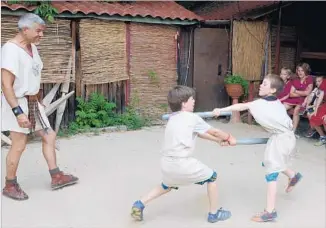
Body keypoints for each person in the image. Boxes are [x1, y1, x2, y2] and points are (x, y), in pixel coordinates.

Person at [1, 13, 78, 201]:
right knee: (19, 145)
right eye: (38, 31)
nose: (41, 35)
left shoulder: (32, 48)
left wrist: (37, 97)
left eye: (43, 31)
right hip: (17, 103)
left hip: (33, 102)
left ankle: (56, 176)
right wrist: (18, 112)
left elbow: (33, 74)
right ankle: (10, 185)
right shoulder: (10, 50)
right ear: (25, 29)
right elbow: (6, 84)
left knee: (49, 135)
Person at [130, 85, 235, 223]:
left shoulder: (173, 119)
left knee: (166, 185)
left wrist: (218, 141)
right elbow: (214, 131)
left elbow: (199, 133)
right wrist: (228, 137)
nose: (194, 101)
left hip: (167, 164)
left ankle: (140, 203)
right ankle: (214, 214)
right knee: (212, 177)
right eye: (192, 99)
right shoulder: (192, 118)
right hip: (182, 163)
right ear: (184, 103)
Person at [213, 74, 303, 222]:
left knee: (271, 173)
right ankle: (293, 176)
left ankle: (270, 212)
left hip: (282, 140)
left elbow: (241, 106)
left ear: (273, 90)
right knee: (272, 163)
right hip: (283, 138)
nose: (261, 85)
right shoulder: (275, 102)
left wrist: (220, 110)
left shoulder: (262, 104)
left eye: (265, 84)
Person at [282, 63, 314, 136]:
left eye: (302, 70)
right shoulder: (295, 79)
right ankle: (285, 127)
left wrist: (296, 91)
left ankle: (293, 131)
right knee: (282, 107)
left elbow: (308, 93)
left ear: (306, 71)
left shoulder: (309, 79)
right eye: (298, 70)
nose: (300, 72)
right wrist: (303, 92)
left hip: (304, 100)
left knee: (296, 110)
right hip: (293, 98)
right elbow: (291, 93)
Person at [304, 75, 326, 146]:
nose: (317, 83)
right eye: (316, 81)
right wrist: (315, 110)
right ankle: (323, 137)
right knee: (313, 116)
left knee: (325, 120)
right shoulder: (323, 85)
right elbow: (321, 97)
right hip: (324, 105)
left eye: (319, 81)